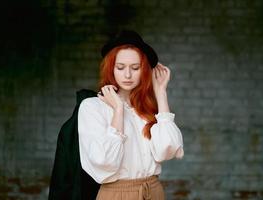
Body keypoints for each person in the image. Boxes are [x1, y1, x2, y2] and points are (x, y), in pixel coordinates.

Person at [78, 30, 184, 200]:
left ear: (144, 70)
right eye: (120, 67)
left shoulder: (148, 107)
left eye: (135, 68)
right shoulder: (92, 107)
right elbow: (105, 162)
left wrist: (160, 93)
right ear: (110, 68)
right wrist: (118, 110)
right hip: (116, 193)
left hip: (153, 191)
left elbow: (167, 150)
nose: (127, 75)